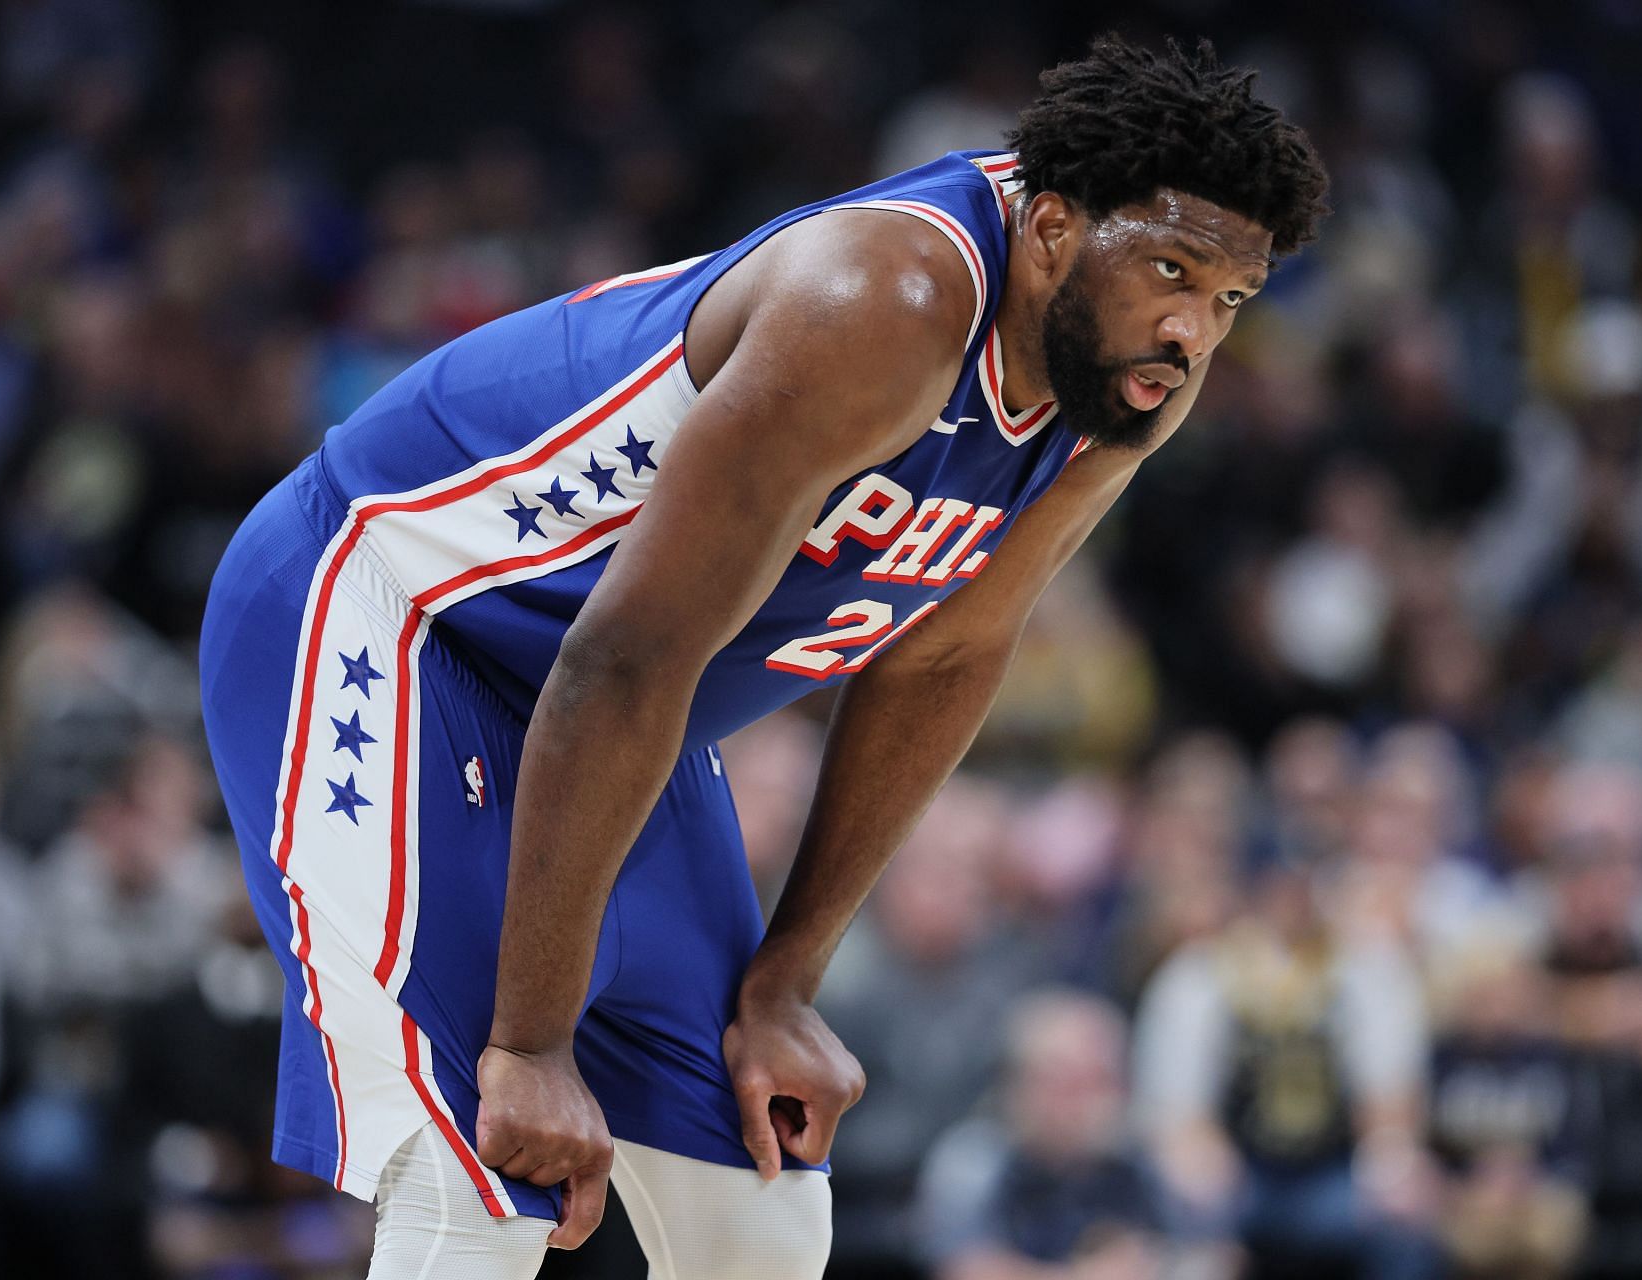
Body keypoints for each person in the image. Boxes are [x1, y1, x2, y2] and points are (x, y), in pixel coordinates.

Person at [196, 34, 1330, 1280]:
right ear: (1052, 226)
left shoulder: (1124, 380)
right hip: (398, 612)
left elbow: (946, 653)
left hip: (618, 702)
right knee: (490, 1167)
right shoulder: (885, 301)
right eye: (1170, 268)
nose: (1193, 327)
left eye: (1230, 298)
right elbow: (620, 659)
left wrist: (786, 980)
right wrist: (529, 1040)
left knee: (765, 1211)